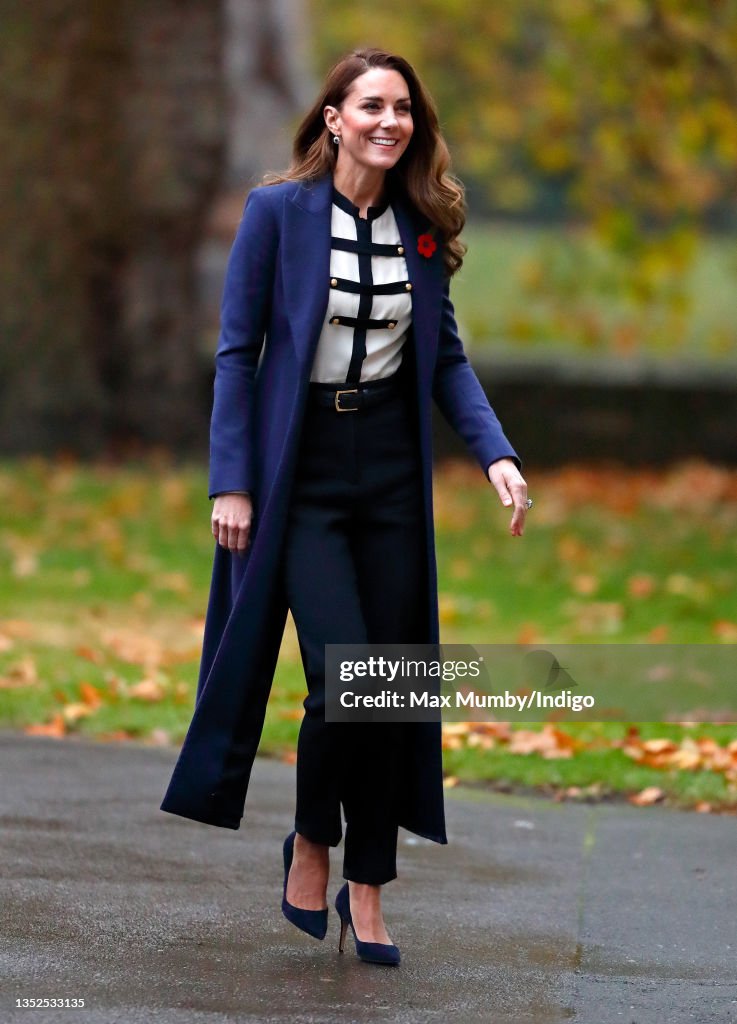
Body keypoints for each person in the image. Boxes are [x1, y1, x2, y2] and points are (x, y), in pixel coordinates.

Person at [160, 47, 530, 966]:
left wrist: (496, 456)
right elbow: (237, 356)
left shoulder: (423, 227)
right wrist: (231, 480)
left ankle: (369, 885)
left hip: (392, 482)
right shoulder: (277, 214)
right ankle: (312, 842)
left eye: (401, 108)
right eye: (369, 104)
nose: (387, 121)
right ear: (332, 117)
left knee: (390, 693)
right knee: (343, 683)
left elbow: (443, 359)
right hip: (304, 475)